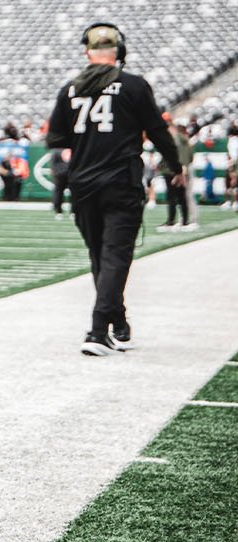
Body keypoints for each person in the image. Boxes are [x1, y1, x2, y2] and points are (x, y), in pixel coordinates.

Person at [45, 23, 182, 356]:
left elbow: (56, 139)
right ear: (120, 52)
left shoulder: (70, 89)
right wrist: (176, 166)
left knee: (101, 258)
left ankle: (118, 324)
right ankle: (96, 331)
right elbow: (158, 131)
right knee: (115, 258)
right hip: (120, 181)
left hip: (83, 185)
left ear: (86, 52)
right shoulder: (133, 86)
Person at [50, 147, 70, 218]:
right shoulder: (73, 147)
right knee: (75, 192)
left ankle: (58, 211)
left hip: (59, 173)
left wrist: (54, 172)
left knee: (58, 192)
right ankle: (74, 211)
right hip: (70, 173)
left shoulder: (56, 150)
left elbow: (53, 162)